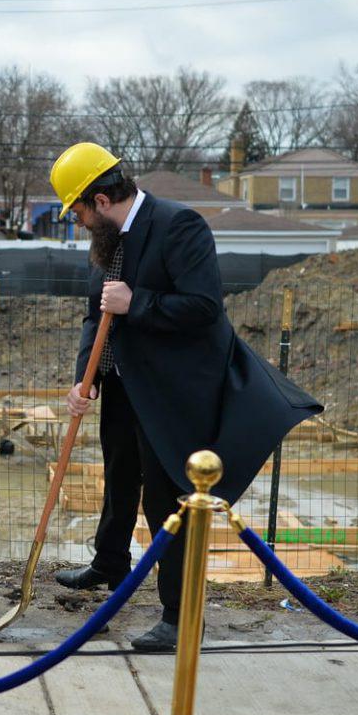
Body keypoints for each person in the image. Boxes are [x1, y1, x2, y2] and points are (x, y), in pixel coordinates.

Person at [48, 142, 322, 651]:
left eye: (80, 211)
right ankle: (109, 565)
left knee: (165, 502)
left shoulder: (180, 226)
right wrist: (85, 379)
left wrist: (138, 302)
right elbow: (97, 313)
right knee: (119, 477)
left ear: (102, 200)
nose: (79, 222)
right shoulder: (108, 243)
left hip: (174, 394)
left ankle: (180, 616)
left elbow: (202, 307)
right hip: (124, 387)